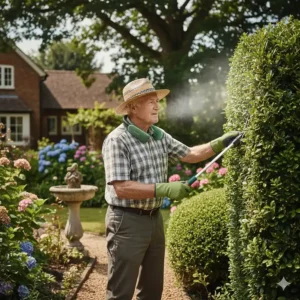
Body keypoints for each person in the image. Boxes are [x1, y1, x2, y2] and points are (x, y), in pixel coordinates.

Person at [102, 78, 239, 300]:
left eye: (157, 101)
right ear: (133, 107)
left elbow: (191, 154)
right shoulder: (117, 140)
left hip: (154, 220)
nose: (157, 106)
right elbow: (122, 188)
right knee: (120, 292)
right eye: (150, 101)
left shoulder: (159, 135)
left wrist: (220, 143)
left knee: (152, 289)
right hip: (126, 222)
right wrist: (164, 189)